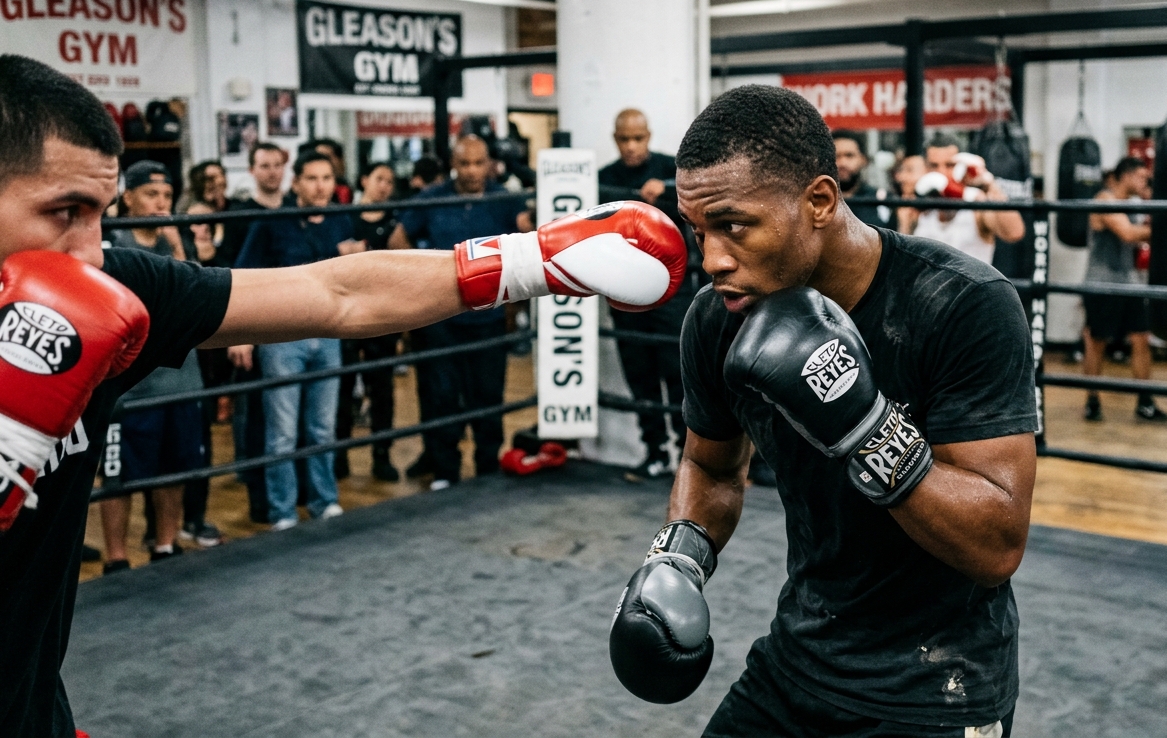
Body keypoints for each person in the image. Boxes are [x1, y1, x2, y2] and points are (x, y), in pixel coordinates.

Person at [0, 53, 684, 736]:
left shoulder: (116, 287)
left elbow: (336, 295)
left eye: (100, 213)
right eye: (64, 211)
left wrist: (534, 260)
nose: (89, 250)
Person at [608, 85, 1034, 735]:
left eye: (734, 226)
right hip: (801, 657)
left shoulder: (963, 304)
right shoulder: (718, 319)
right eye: (699, 231)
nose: (712, 259)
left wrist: (866, 426)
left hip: (940, 685)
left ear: (819, 201)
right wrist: (679, 557)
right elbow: (712, 466)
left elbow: (997, 545)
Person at [228, 152, 362, 530]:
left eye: (327, 178)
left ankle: (324, 500)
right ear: (297, 182)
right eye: (312, 178)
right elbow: (242, 273)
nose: (321, 186)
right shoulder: (273, 222)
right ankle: (283, 511)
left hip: (329, 332)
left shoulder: (339, 219)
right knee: (282, 432)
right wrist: (242, 332)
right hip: (282, 334)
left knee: (322, 427)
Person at [389, 135, 529, 489]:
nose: (471, 171)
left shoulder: (504, 199)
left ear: (489, 164)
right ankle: (445, 471)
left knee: (487, 393)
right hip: (443, 316)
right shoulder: (433, 197)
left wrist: (514, 298)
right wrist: (421, 283)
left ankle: (486, 467)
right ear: (454, 164)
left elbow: (528, 243)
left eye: (478, 163)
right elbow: (396, 240)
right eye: (464, 164)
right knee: (442, 395)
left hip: (489, 314)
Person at [98, 161, 212, 571]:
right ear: (128, 197)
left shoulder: (176, 243)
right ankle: (116, 556)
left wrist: (177, 243)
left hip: (180, 379)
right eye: (152, 195)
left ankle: (165, 545)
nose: (161, 204)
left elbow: (197, 295)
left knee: (174, 471)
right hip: (129, 388)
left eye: (166, 196)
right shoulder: (111, 242)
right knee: (119, 476)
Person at [598, 108, 701, 481]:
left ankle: (687, 458)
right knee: (639, 377)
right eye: (624, 139)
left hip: (669, 291)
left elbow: (698, 211)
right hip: (623, 290)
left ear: (648, 135)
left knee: (678, 376)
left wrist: (670, 190)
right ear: (615, 138)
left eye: (637, 138)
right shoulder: (604, 179)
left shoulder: (672, 171)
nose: (631, 146)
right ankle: (655, 452)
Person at [1080, 157, 1167, 424]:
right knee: (1097, 344)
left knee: (1142, 340)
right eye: (1141, 177)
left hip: (1129, 283)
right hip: (1101, 283)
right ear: (1127, 175)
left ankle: (1145, 402)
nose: (1145, 182)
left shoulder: (1133, 204)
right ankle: (1092, 401)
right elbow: (1129, 234)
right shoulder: (1103, 200)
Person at [335, 162, 402, 482]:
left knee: (382, 386)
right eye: (379, 178)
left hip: (383, 311)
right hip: (346, 310)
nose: (384, 186)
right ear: (364, 180)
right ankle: (339, 455)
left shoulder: (395, 222)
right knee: (343, 387)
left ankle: (381, 455)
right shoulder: (345, 219)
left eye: (390, 180)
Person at [911, 133, 1025, 264]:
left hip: (969, 284)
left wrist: (990, 184)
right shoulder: (920, 209)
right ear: (926, 168)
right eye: (934, 166)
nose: (941, 173)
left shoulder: (976, 206)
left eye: (949, 165)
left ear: (961, 166)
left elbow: (1014, 232)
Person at [832, 129, 887, 228]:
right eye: (836, 156)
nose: (842, 163)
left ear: (863, 160)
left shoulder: (880, 201)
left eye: (849, 155)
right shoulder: (816, 201)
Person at [889, 154, 927, 234]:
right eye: (901, 170)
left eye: (910, 170)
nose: (901, 177)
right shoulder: (898, 209)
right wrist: (904, 224)